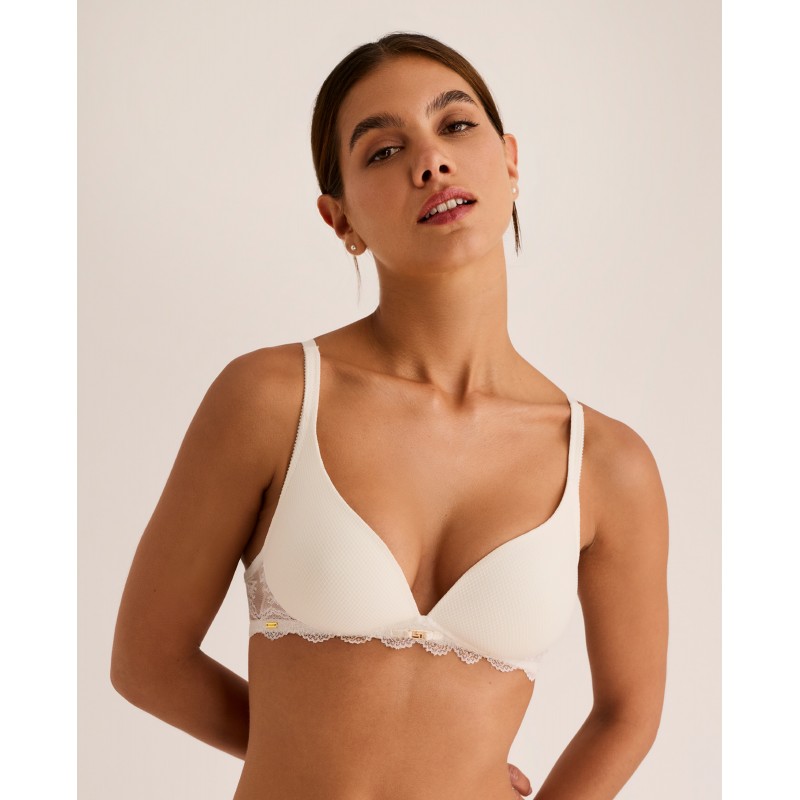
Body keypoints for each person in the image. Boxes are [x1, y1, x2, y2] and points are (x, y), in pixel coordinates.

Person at [111, 32, 669, 800]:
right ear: (338, 218)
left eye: (456, 125)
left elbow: (628, 713)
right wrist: (296, 752)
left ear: (510, 162)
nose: (430, 161)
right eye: (383, 151)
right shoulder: (272, 401)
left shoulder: (607, 464)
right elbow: (147, 662)